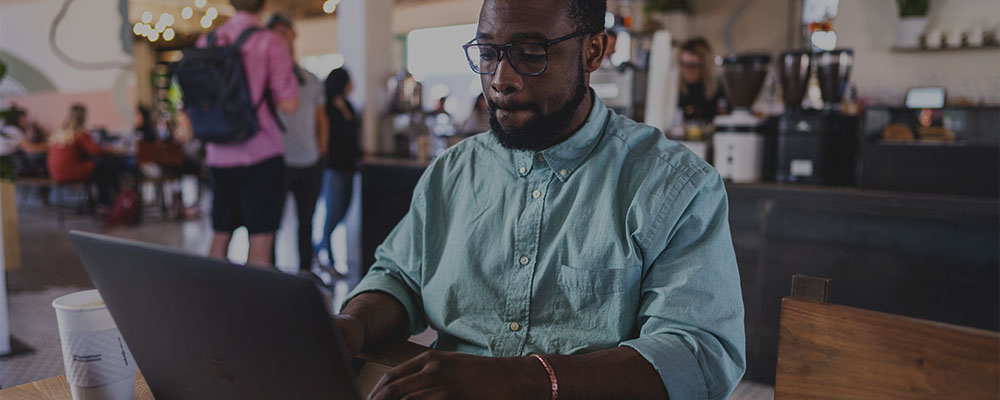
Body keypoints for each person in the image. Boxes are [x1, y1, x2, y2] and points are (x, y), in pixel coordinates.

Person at [333, 1, 745, 399]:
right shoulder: (454, 171)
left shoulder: (671, 185)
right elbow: (400, 278)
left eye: (530, 54)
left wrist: (517, 380)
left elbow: (698, 356)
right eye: (489, 53)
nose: (500, 79)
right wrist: (355, 323)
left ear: (593, 51)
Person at [199, 0, 299, 267]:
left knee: (219, 238)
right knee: (260, 245)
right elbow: (289, 105)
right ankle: (252, 309)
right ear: (264, 3)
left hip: (218, 153)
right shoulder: (270, 41)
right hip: (261, 153)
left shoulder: (208, 40)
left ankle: (209, 302)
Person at [267, 13, 329, 273]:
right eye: (277, 32)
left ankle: (306, 274)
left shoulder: (310, 79)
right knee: (271, 223)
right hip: (277, 160)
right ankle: (270, 276)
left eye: (286, 32)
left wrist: (321, 153)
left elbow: (321, 119)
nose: (283, 38)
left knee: (307, 221)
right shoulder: (263, 79)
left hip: (310, 161)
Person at [315, 67, 358, 272]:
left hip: (350, 166)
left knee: (342, 212)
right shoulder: (327, 108)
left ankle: (317, 249)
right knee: (332, 214)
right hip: (333, 167)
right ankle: (329, 260)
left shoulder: (348, 105)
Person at [46, 104, 122, 207]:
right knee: (107, 166)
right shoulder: (80, 133)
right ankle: (106, 204)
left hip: (56, 173)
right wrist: (114, 150)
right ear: (84, 117)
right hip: (72, 172)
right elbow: (96, 151)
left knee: (101, 167)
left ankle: (99, 204)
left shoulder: (59, 132)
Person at [677, 37, 726, 124]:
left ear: (705, 66)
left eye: (692, 65)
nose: (687, 70)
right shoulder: (676, 91)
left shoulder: (718, 91)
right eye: (683, 64)